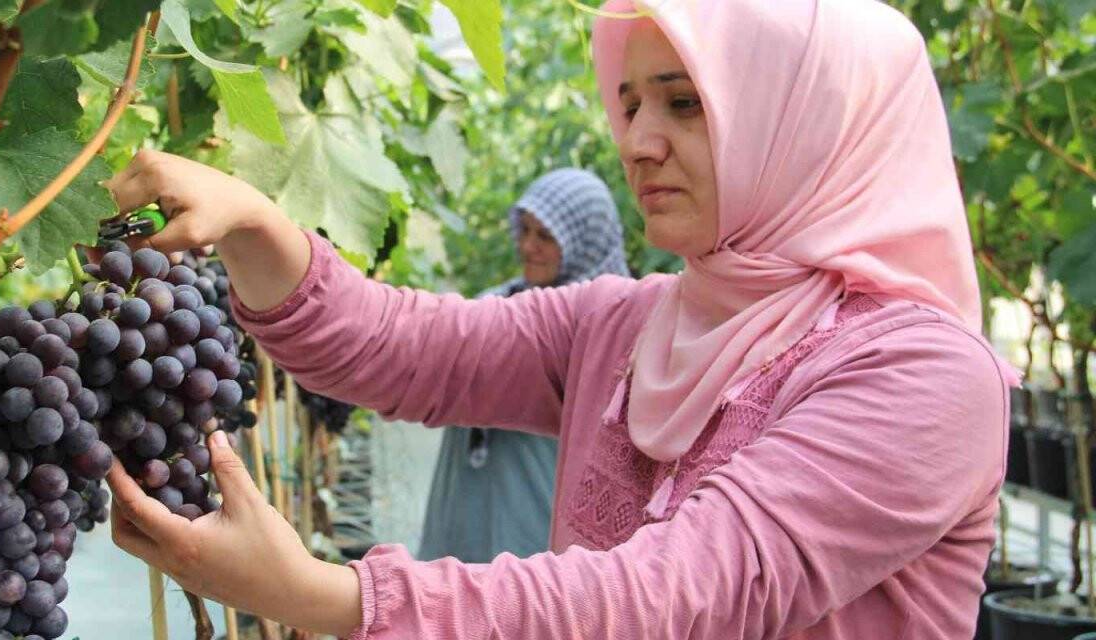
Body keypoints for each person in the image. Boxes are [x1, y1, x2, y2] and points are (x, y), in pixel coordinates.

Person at [101, 0, 1014, 637]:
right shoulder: (626, 323)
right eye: (630, 101)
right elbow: (400, 346)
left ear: (811, 122)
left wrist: (329, 596)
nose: (638, 139)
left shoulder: (926, 376)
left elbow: (684, 597)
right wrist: (256, 223)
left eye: (686, 103)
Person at [418, 168, 630, 564]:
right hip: (465, 512)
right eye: (525, 230)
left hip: (535, 521)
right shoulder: (497, 306)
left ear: (583, 242)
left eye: (546, 236)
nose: (528, 246)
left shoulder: (609, 331)